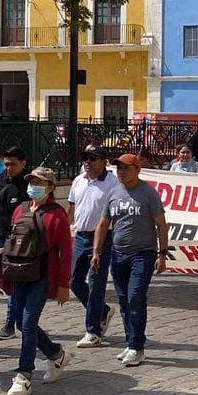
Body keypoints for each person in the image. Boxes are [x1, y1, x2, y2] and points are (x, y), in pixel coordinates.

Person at [0, 167, 75, 395]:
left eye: (39, 182)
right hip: (18, 273)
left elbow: (66, 252)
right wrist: (0, 273)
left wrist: (63, 284)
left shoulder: (57, 215)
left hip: (42, 275)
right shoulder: (20, 210)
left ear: (50, 187)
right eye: (32, 181)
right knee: (21, 322)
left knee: (28, 321)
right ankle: (55, 354)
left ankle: (24, 374)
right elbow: (9, 244)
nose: (34, 186)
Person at [92, 154, 168, 366]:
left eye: (126, 168)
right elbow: (103, 223)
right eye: (119, 169)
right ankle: (131, 342)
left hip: (143, 254)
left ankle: (137, 347)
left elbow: (161, 224)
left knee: (135, 297)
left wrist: (162, 254)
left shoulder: (148, 193)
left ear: (137, 170)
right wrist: (96, 252)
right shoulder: (113, 192)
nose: (122, 172)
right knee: (124, 300)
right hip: (118, 254)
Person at [68, 148, 121, 347]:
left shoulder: (112, 183)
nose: (87, 162)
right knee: (74, 281)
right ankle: (103, 311)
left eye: (92, 158)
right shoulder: (78, 180)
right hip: (80, 236)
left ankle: (93, 331)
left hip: (103, 238)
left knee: (96, 283)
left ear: (104, 161)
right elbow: (72, 207)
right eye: (84, 158)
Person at [0, 147, 30, 340]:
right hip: (0, 237)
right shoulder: (1, 179)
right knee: (3, 280)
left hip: (18, 241)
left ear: (22, 163)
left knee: (14, 281)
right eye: (6, 164)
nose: (9, 168)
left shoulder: (29, 183)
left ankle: (10, 323)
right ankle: (19, 316)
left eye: (13, 164)